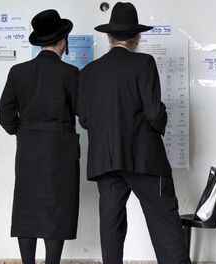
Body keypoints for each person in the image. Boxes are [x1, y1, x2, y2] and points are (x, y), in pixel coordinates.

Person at [77, 2, 190, 263]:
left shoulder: (88, 72)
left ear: (108, 36)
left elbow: (84, 119)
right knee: (164, 223)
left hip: (105, 160)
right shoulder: (144, 63)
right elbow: (153, 112)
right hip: (144, 158)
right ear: (137, 37)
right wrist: (160, 123)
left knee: (111, 226)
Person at [0, 9, 79, 264]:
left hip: (29, 150)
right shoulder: (71, 73)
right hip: (61, 150)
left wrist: (23, 130)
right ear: (63, 41)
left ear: (40, 42)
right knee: (58, 208)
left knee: (27, 208)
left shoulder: (18, 72)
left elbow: (4, 115)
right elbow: (83, 111)